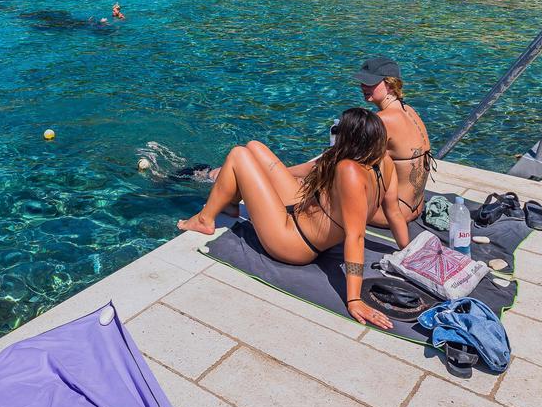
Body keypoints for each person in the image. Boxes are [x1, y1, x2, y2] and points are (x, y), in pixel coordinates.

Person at [176, 108, 414, 331]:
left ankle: (205, 220)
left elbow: (356, 236)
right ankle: (229, 199)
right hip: (304, 211)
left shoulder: (349, 170)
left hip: (294, 241)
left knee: (239, 155)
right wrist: (409, 252)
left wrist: (353, 299)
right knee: (254, 148)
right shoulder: (384, 162)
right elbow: (394, 212)